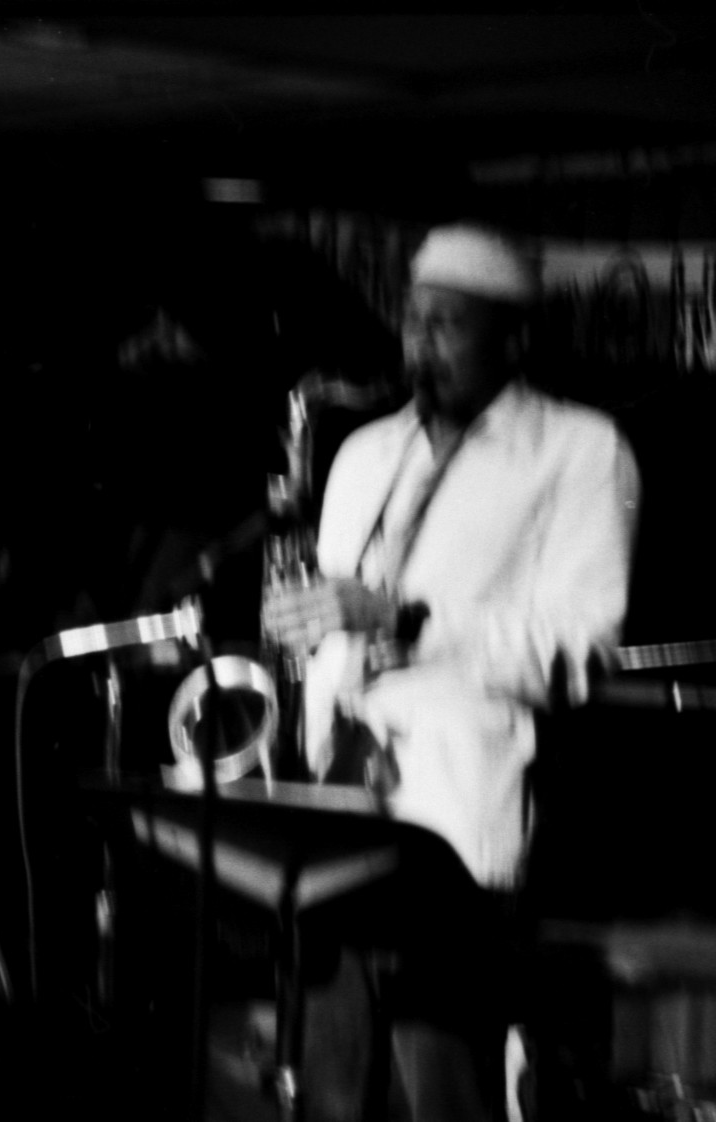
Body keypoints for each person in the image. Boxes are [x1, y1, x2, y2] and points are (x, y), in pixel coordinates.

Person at [263, 223, 642, 1121]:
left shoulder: (581, 450)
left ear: (515, 339)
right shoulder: (363, 454)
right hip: (332, 821)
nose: (419, 344)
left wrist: (410, 620)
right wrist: (303, 633)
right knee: (325, 1096)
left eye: (448, 325)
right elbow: (337, 632)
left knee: (445, 1098)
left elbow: (578, 651)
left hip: (458, 837)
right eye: (412, 321)